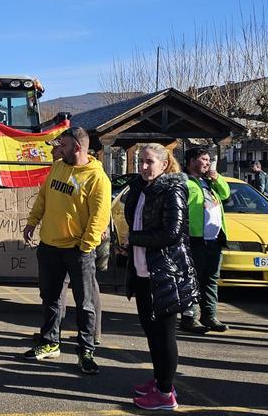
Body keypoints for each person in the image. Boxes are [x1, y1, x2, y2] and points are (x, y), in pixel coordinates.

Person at [22, 126, 111, 375]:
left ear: (78, 147)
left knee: (85, 303)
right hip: (50, 246)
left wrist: (85, 246)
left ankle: (86, 351)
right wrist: (32, 222)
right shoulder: (59, 167)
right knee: (50, 298)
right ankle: (50, 342)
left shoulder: (96, 177)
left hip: (77, 250)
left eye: (64, 145)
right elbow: (43, 197)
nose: (59, 149)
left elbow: (99, 216)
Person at [119, 143, 197, 411]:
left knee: (164, 336)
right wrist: (129, 243)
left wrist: (135, 239)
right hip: (143, 270)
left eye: (149, 161)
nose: (142, 166)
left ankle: (165, 393)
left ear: (164, 164)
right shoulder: (141, 187)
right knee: (151, 333)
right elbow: (135, 221)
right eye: (140, 161)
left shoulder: (172, 189)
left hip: (165, 273)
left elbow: (171, 233)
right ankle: (159, 379)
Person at [180, 146, 230, 334]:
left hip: (214, 239)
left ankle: (209, 315)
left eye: (209, 160)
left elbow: (225, 194)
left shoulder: (210, 182)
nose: (208, 163)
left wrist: (217, 179)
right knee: (192, 278)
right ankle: (189, 316)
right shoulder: (185, 182)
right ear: (191, 161)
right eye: (204, 159)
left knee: (211, 279)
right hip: (194, 239)